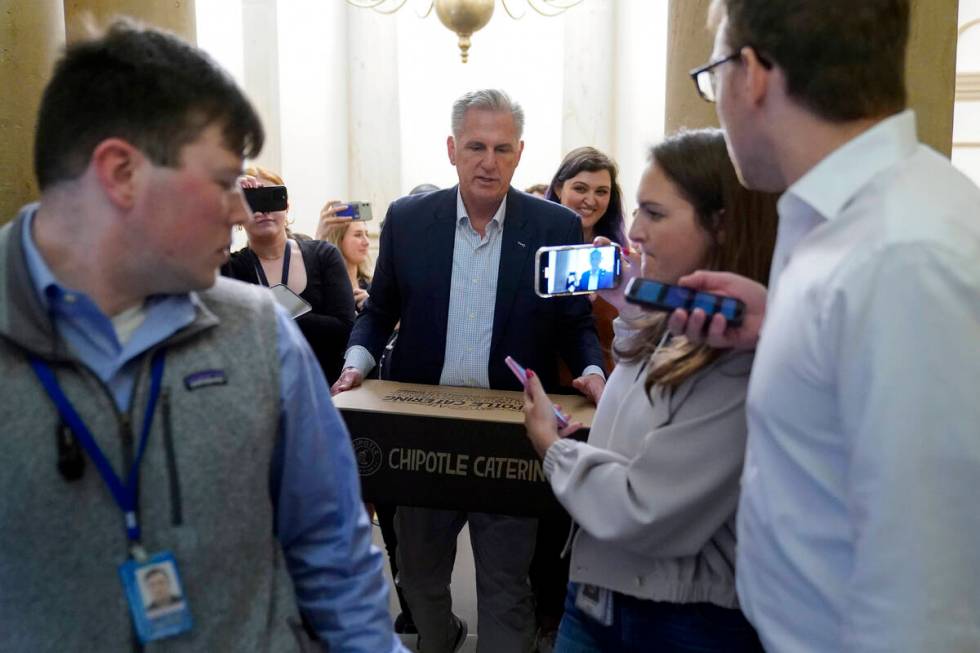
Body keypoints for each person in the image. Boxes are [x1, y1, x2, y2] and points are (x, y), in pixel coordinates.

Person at [0, 21, 403, 653]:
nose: (243, 213)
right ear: (122, 174)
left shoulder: (258, 332)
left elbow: (333, 550)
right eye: (223, 183)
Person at [666, 2, 980, 651]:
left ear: (750, 74)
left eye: (712, 74)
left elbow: (926, 602)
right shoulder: (846, 223)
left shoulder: (902, 257)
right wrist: (779, 325)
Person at [332, 88, 606, 653]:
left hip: (510, 440)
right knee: (420, 579)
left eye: (503, 148)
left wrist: (592, 370)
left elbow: (575, 322)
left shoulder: (555, 226)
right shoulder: (409, 220)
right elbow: (381, 308)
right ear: (453, 149)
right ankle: (444, 636)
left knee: (506, 586)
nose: (489, 161)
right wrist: (356, 364)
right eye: (476, 146)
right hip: (421, 436)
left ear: (521, 152)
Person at [523, 128, 777, 652]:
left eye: (655, 214)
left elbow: (644, 509)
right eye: (636, 210)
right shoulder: (678, 325)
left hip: (676, 621)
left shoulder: (736, 352)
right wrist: (635, 303)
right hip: (600, 596)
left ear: (721, 224)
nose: (633, 231)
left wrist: (556, 450)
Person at [221, 166, 354, 384]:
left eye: (271, 198)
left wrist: (267, 315)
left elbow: (344, 330)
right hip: (260, 390)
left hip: (322, 385)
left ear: (286, 206)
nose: (263, 211)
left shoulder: (323, 256)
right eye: (252, 201)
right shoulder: (232, 267)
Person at [320, 218, 373, 313]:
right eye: (358, 235)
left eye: (367, 234)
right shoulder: (326, 288)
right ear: (339, 240)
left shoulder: (372, 285)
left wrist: (374, 306)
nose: (366, 242)